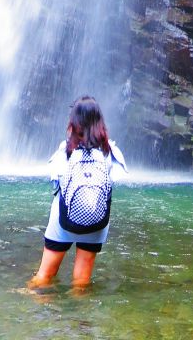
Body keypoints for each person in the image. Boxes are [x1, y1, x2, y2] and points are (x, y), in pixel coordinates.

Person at [29, 96, 127, 288]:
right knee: (81, 281)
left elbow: (55, 179)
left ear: (73, 122)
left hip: (63, 220)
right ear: (99, 121)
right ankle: (80, 314)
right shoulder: (109, 152)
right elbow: (115, 180)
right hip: (95, 220)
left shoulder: (65, 150)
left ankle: (34, 310)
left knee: (44, 275)